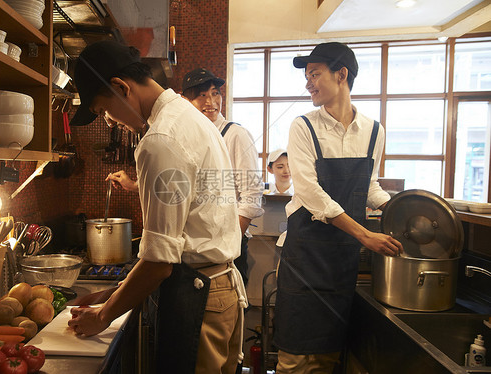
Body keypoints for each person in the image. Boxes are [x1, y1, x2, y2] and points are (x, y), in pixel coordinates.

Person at [67, 40, 247, 374]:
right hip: (219, 290)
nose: (110, 121)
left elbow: (160, 262)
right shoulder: (192, 118)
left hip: (198, 296)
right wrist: (116, 293)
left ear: (121, 87)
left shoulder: (161, 140)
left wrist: (103, 317)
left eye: (102, 110)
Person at [273, 42, 404, 373]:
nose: (308, 83)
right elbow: (310, 192)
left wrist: (404, 209)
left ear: (341, 75)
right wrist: (364, 235)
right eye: (307, 76)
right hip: (305, 258)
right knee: (295, 359)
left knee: (330, 357)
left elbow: (368, 187)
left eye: (314, 74)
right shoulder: (303, 126)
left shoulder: (374, 131)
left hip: (340, 260)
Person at [182, 68, 264, 285]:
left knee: (230, 311)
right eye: (202, 95)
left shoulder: (234, 134)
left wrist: (232, 240)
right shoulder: (187, 136)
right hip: (196, 248)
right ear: (185, 101)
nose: (211, 101)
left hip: (226, 247)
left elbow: (252, 192)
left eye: (215, 93)